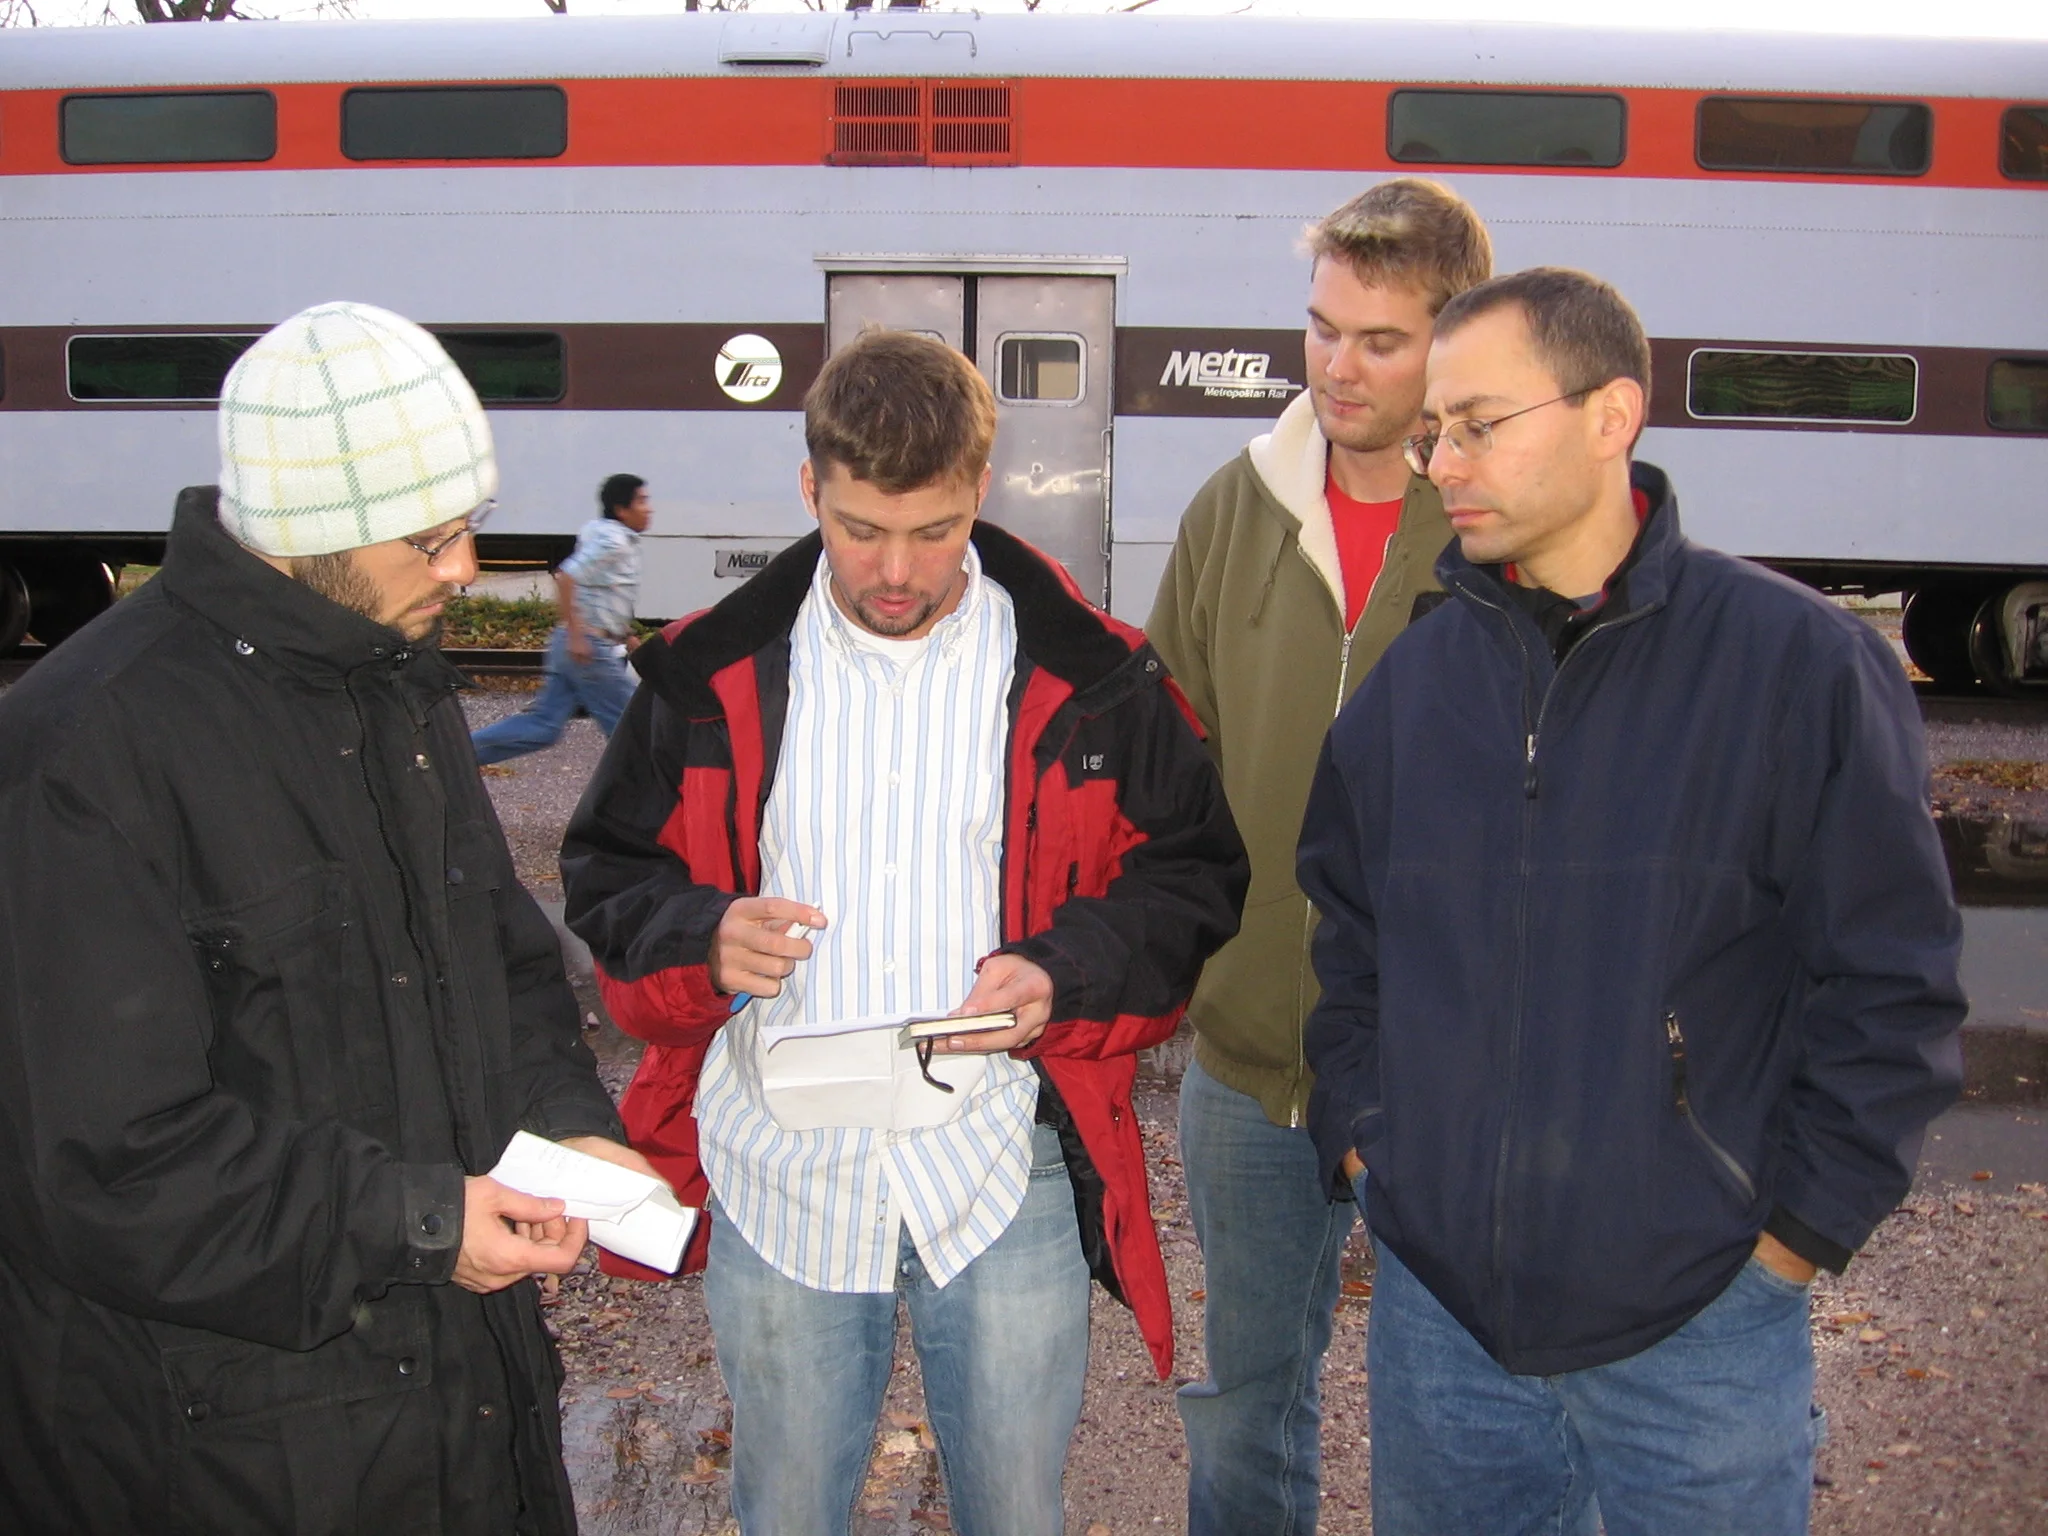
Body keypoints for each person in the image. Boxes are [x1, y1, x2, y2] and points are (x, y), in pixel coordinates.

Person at [1297, 267, 1967, 1536]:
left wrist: (1793, 1238)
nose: (1441, 458)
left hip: (1699, 1323)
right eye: (1436, 427)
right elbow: (1351, 945)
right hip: (1445, 1330)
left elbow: (1892, 985)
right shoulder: (1412, 687)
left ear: (1610, 415)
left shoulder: (1796, 666)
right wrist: (1372, 1142)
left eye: (1478, 423)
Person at [561, 329, 1247, 1536]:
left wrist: (1059, 967)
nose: (895, 568)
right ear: (809, 488)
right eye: (859, 526)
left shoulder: (1095, 679)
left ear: (981, 489)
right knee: (786, 1512)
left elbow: (1192, 877)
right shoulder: (701, 674)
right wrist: (700, 931)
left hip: (999, 1171)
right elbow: (607, 873)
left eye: (933, 530)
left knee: (1016, 1513)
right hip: (781, 1173)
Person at [0, 301, 660, 1535]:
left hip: (460, 1414)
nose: (465, 569)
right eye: (433, 538)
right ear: (309, 533)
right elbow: (100, 1164)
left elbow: (503, 969)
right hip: (221, 1452)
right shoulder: (83, 751)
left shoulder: (395, 683)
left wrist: (568, 1126)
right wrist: (414, 1226)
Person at [1143, 176, 1492, 1533]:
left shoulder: (1491, 532)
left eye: (1381, 340)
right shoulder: (1238, 509)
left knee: (1444, 1419)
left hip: (1440, 1072)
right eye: (1323, 329)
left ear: (1451, 347)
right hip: (1245, 1067)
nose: (1339, 367)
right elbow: (1164, 765)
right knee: (1243, 1407)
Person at [471, 472, 651, 764]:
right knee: (632, 729)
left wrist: (625, 635)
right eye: (642, 501)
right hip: (589, 649)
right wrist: (578, 636)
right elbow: (567, 576)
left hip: (574, 643)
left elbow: (600, 591)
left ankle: (458, 755)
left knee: (543, 727)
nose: (650, 508)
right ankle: (646, 800)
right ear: (622, 509)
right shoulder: (613, 542)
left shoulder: (603, 533)